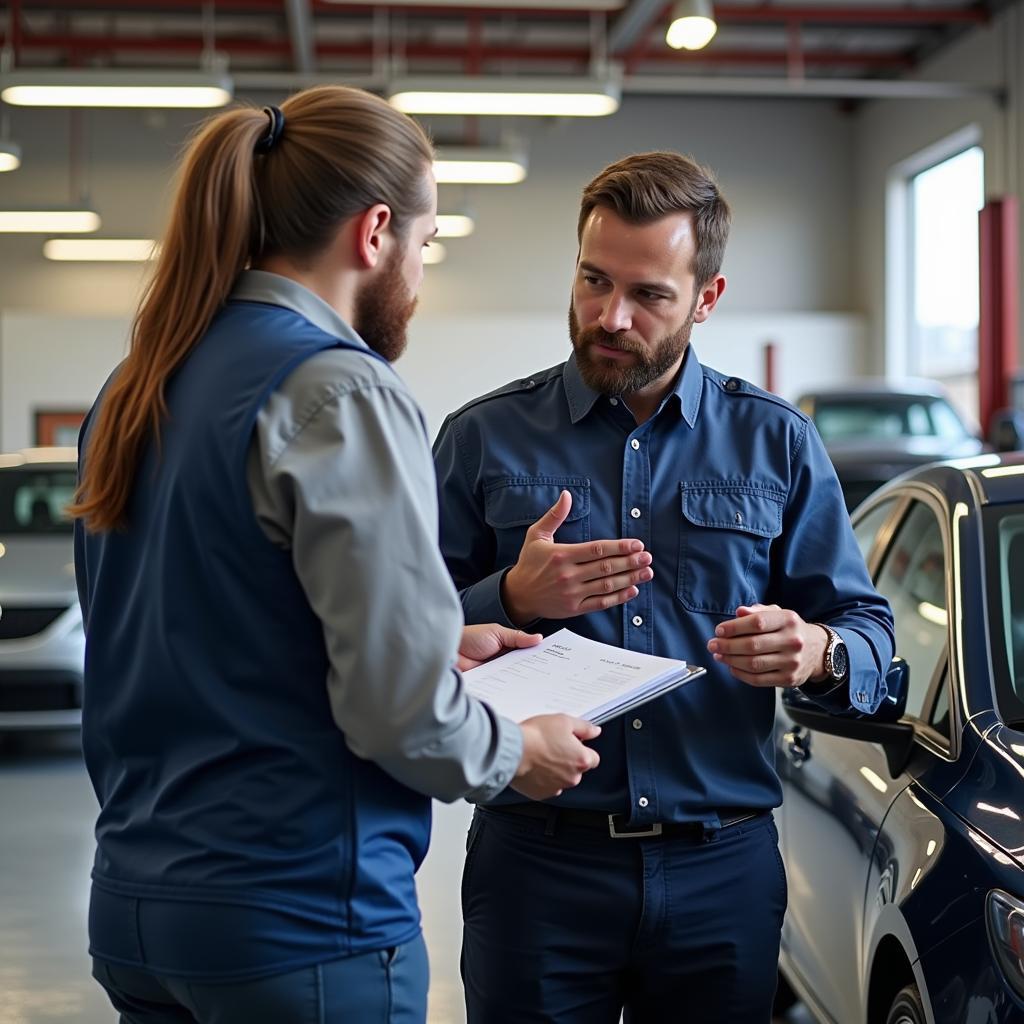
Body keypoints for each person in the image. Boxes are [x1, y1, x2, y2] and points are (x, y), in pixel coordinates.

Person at [71, 86, 601, 1024]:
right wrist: (517, 747)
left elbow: (205, 627)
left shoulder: (137, 383)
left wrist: (443, 642)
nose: (422, 276)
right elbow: (399, 718)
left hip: (138, 907)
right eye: (427, 247)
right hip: (300, 923)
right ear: (377, 233)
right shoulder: (339, 389)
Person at [433, 150, 895, 1023]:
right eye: (593, 280)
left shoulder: (778, 444)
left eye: (649, 295)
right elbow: (394, 636)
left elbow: (866, 625)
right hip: (538, 865)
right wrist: (509, 599)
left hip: (721, 868)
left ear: (707, 299)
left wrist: (820, 650)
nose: (610, 316)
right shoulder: (481, 439)